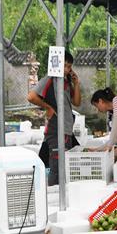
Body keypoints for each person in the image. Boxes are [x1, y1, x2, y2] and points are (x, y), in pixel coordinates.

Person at [28, 51, 81, 186]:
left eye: (69, 67)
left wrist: (77, 83)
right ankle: (54, 196)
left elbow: (77, 102)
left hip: (67, 129)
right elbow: (31, 97)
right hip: (56, 129)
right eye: (64, 66)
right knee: (57, 167)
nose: (67, 69)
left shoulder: (66, 82)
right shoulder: (50, 79)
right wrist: (48, 107)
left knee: (64, 166)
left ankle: (61, 195)